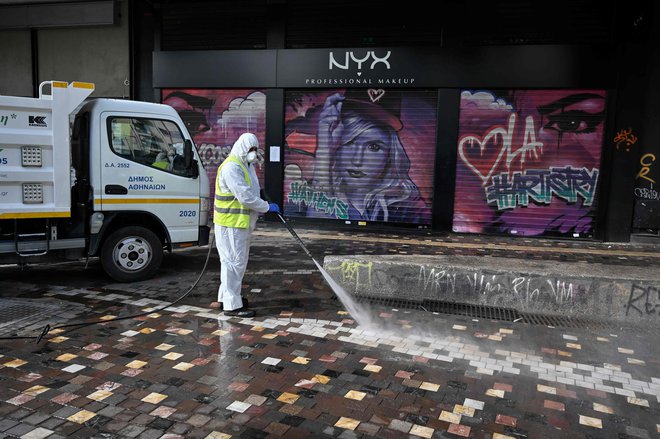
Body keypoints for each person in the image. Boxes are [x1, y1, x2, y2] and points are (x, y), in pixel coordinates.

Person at [308, 90, 429, 223]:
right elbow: (318, 228)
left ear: (390, 156)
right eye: (349, 142)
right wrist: (324, 154)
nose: (357, 160)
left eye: (374, 147)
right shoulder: (307, 192)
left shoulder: (408, 208)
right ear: (335, 146)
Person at [212, 133, 280, 317]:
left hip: (238, 223)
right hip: (231, 224)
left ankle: (225, 298)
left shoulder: (245, 164)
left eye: (255, 149)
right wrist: (266, 207)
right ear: (242, 147)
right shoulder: (232, 167)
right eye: (251, 149)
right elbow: (244, 196)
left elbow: (250, 189)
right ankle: (232, 306)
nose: (253, 153)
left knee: (232, 263)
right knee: (234, 263)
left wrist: (261, 193)